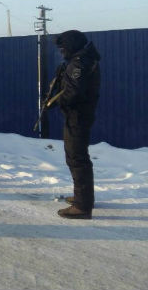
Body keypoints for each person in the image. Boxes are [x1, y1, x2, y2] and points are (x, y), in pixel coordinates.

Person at [53, 30, 101, 219]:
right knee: (76, 157)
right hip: (79, 115)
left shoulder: (79, 63)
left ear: (71, 45)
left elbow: (73, 92)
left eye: (63, 48)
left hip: (77, 116)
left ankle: (82, 206)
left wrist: (58, 101)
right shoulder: (83, 60)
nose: (61, 51)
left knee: (77, 158)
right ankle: (83, 197)